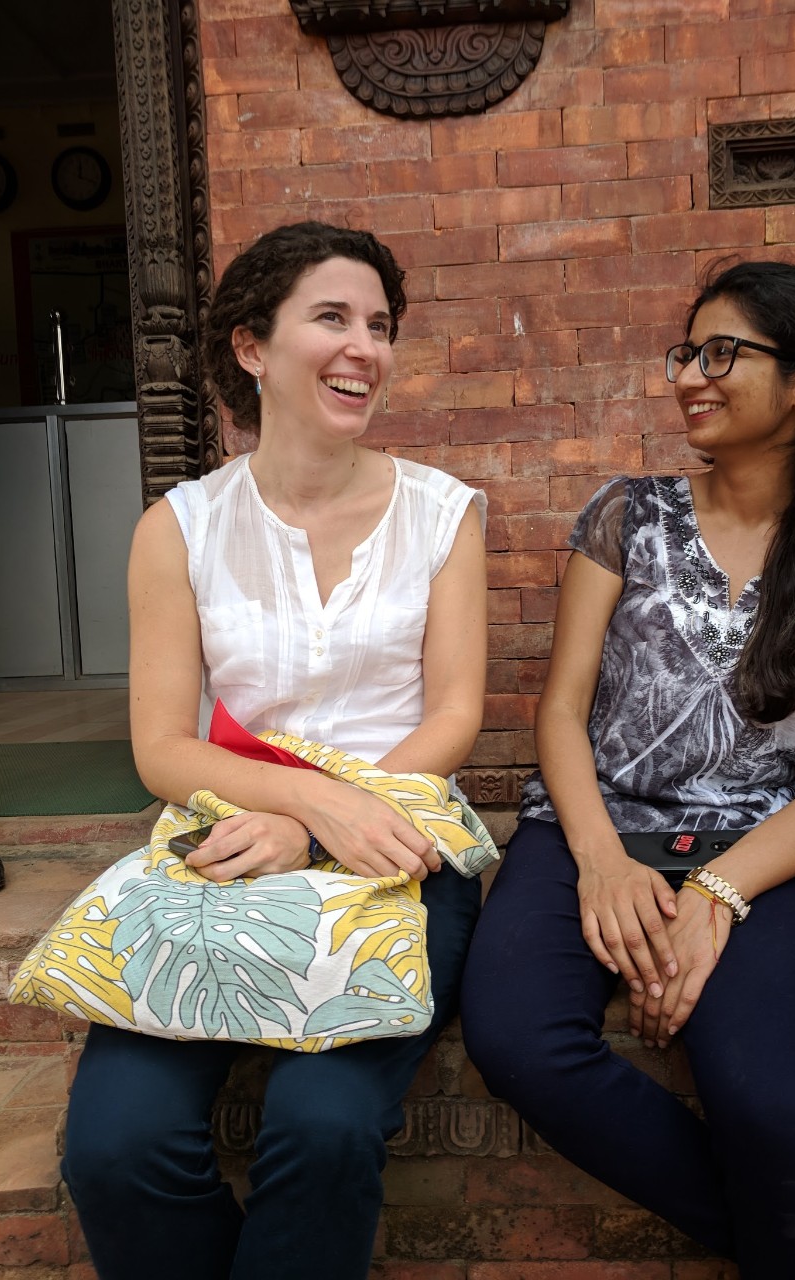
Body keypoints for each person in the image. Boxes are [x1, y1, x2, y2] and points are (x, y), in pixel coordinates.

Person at [461, 261, 795, 1280]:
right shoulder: (625, 515)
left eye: (723, 353)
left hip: (757, 848)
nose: (689, 376)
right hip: (589, 825)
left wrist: (717, 891)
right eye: (687, 351)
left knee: (768, 1100)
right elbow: (560, 710)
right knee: (518, 1041)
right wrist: (601, 862)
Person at [62, 222, 487, 1280]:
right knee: (118, 1145)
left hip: (397, 848)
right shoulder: (182, 526)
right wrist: (285, 814)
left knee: (325, 1126)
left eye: (381, 326)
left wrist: (324, 814)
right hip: (228, 843)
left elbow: (455, 713)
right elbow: (162, 745)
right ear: (253, 346)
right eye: (333, 318)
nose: (366, 348)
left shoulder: (442, 513)